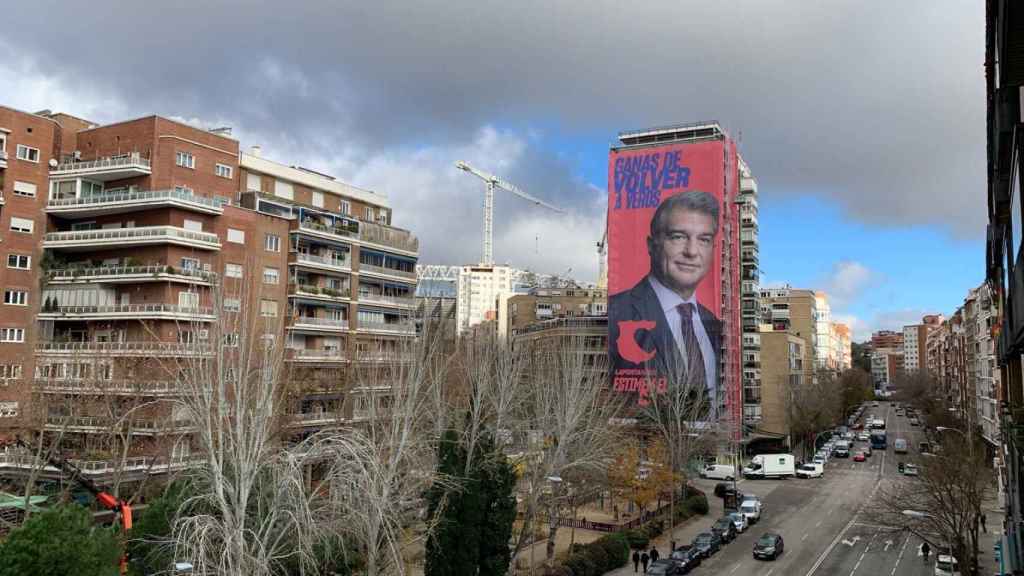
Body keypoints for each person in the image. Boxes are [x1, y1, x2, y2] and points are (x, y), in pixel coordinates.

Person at [609, 191, 723, 411]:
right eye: (678, 237)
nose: (691, 251)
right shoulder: (618, 312)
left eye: (704, 240)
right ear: (651, 245)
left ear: (713, 250)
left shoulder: (716, 326)